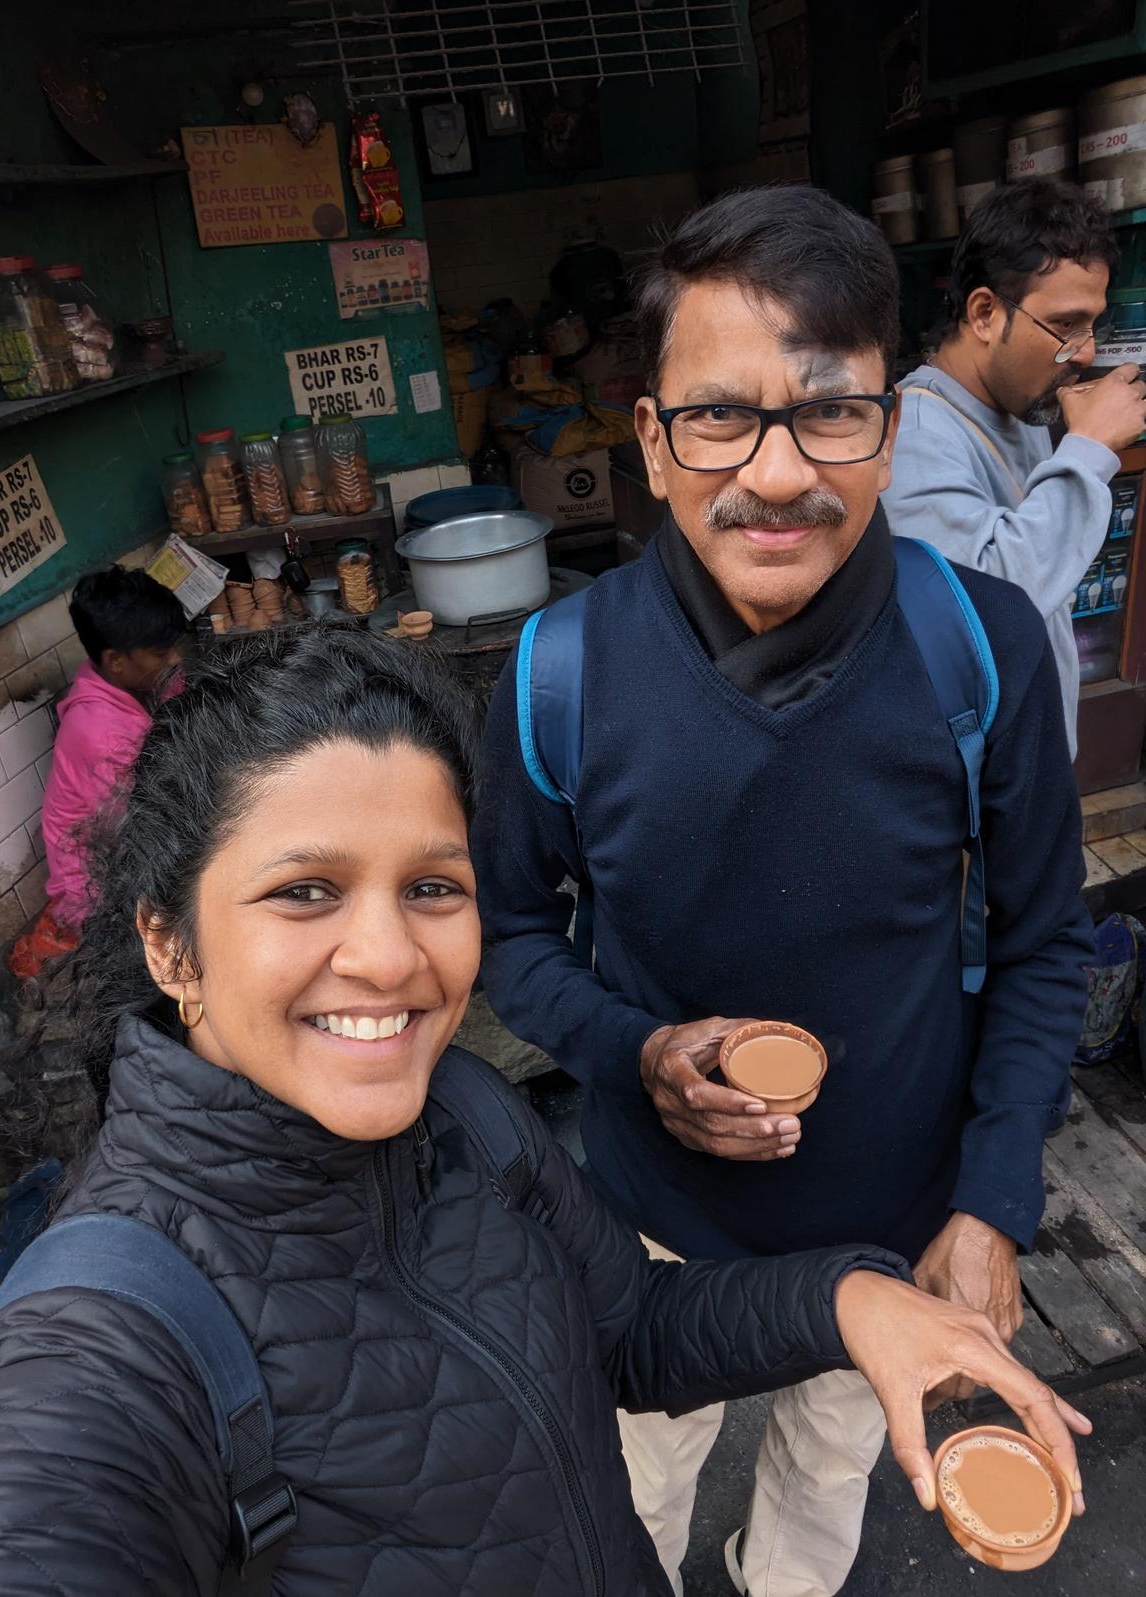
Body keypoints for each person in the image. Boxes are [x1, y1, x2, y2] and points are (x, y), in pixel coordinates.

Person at [0, 625, 1088, 1597]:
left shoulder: (466, 1114)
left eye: (433, 887)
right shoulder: (101, 1347)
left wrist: (853, 1297)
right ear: (167, 938)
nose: (391, 956)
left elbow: (633, 1328)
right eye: (306, 891)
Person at [471, 186, 1093, 1597]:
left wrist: (989, 1202)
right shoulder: (560, 676)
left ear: (890, 420)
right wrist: (635, 1051)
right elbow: (511, 936)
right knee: (635, 1481)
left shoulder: (974, 645)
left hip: (894, 1217)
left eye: (829, 411)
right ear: (651, 435)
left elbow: (1048, 942)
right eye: (718, 416)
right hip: (649, 1229)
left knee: (824, 1475)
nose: (773, 472)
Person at [883, 178, 1146, 758]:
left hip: (1029, 764)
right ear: (983, 312)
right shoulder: (917, 433)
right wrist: (1090, 448)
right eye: (1065, 325)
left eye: (1093, 325)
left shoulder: (1020, 408)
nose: (1085, 352)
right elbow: (979, 606)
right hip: (981, 792)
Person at [7, 565, 185, 982]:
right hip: (98, 882)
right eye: (161, 653)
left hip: (133, 835)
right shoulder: (102, 734)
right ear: (116, 661)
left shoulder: (140, 681)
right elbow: (144, 829)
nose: (175, 660)